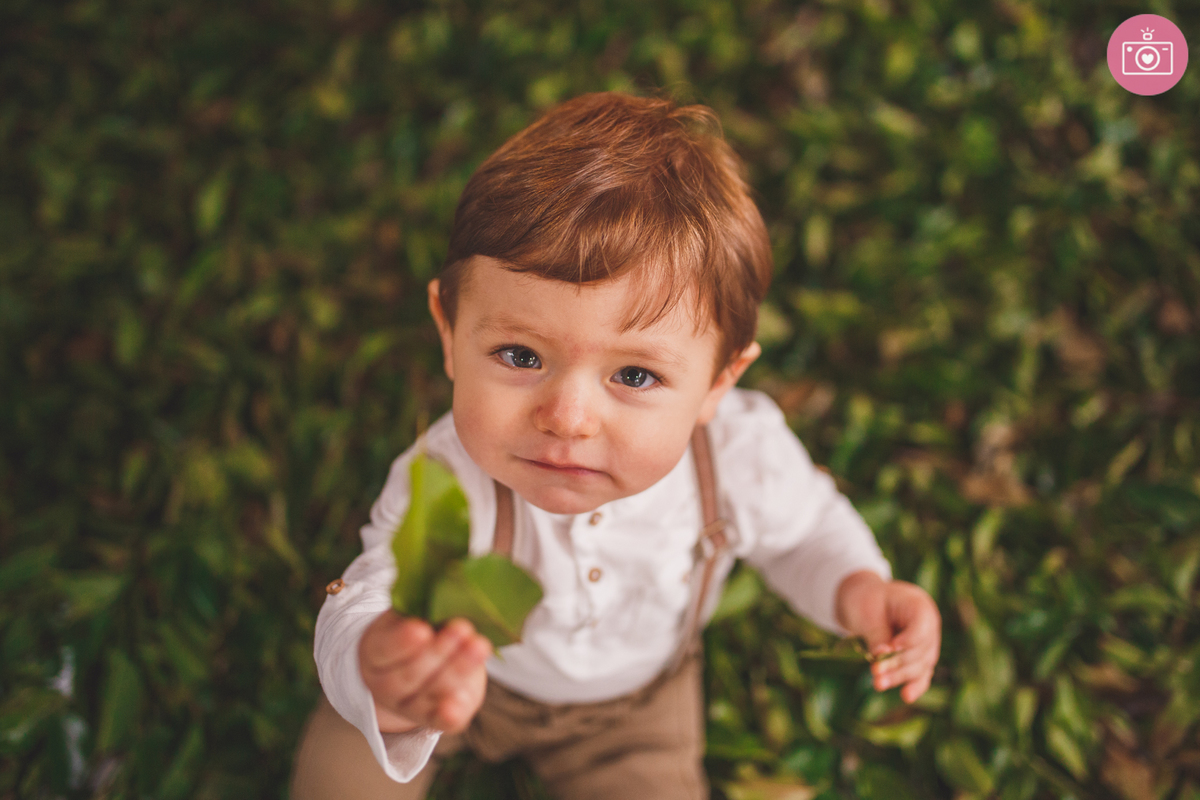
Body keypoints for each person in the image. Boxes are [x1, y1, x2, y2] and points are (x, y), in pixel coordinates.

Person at [290, 91, 941, 800]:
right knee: (345, 772)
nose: (568, 418)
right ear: (449, 333)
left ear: (720, 382)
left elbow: (806, 532)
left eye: (634, 375)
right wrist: (380, 662)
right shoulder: (448, 475)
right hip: (466, 672)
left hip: (637, 709)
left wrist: (862, 592)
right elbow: (372, 583)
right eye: (520, 355)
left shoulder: (738, 458)